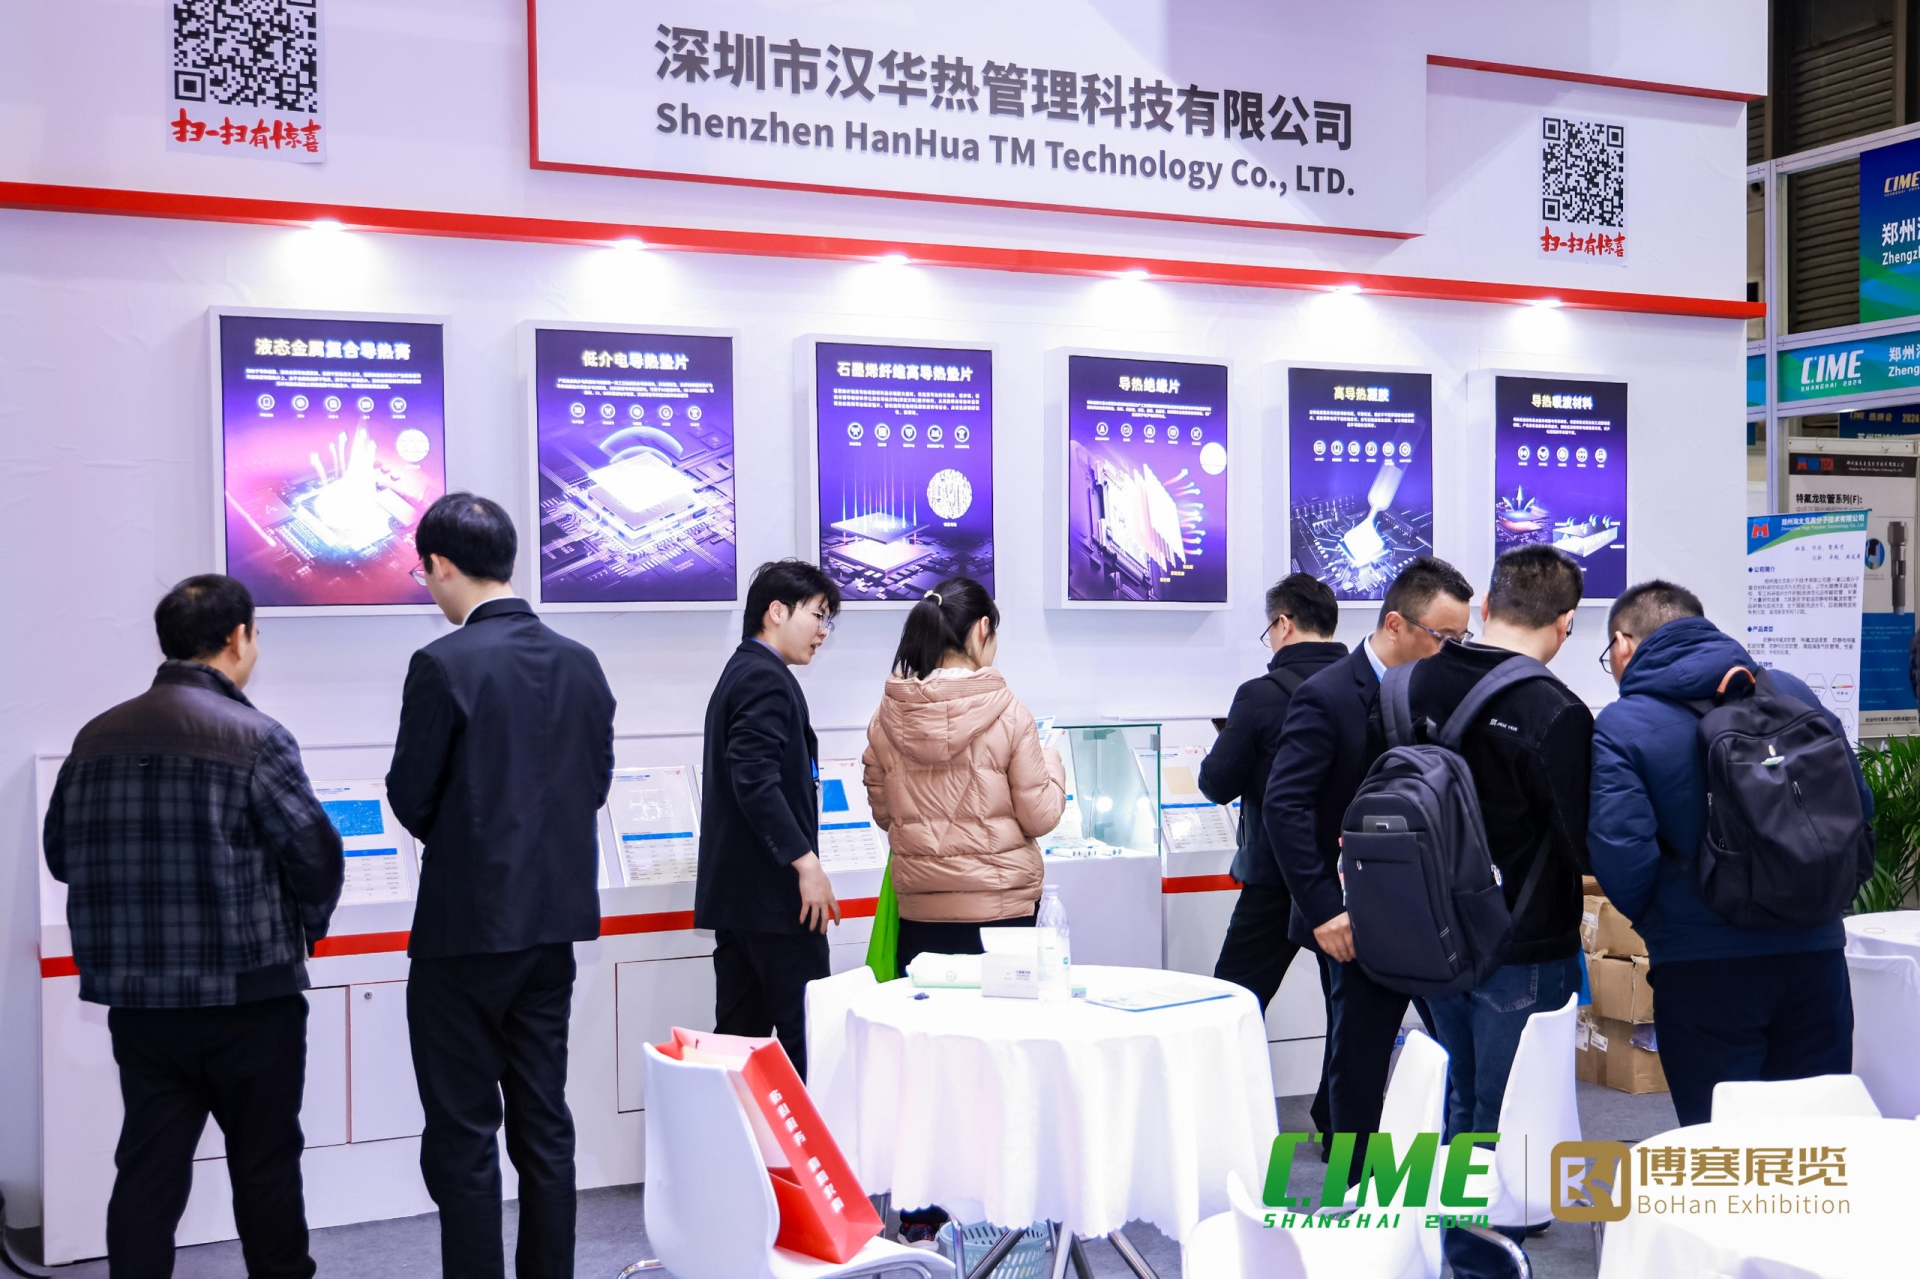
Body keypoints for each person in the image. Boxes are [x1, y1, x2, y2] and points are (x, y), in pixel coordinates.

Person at [43, 574, 344, 1279]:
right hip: (250, 998)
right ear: (238, 638)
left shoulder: (94, 737)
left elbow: (61, 854)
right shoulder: (258, 736)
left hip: (141, 1004)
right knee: (266, 1165)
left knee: (148, 1168)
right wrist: (306, 929)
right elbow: (315, 856)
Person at [386, 493, 616, 1279]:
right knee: (544, 1122)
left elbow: (411, 794)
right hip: (552, 929)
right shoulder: (582, 662)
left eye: (425, 573)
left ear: (441, 564)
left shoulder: (442, 663)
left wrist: (469, 836)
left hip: (464, 928)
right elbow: (594, 784)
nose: (428, 586)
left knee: (463, 1132)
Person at [1588, 580, 1874, 1126]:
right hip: (1814, 954)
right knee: (1816, 1136)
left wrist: (1665, 926)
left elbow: (1621, 852)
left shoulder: (1624, 724)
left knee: (1720, 1138)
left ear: (1623, 644)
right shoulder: (1791, 690)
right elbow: (1857, 806)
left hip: (1702, 966)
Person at [1403, 546, 1593, 1279]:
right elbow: (1581, 842)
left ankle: (1460, 1229)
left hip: (1429, 932)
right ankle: (1474, 1248)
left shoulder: (1412, 681)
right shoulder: (1556, 711)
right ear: (1566, 623)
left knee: (1463, 1089)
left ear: (1486, 605)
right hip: (1523, 939)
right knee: (1506, 1101)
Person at [1264, 556, 1472, 1162]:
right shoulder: (1326, 695)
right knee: (1358, 1058)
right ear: (1396, 624)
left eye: (1462, 637)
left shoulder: (1441, 692)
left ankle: (1460, 1183)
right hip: (1353, 916)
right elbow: (1285, 807)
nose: (1454, 650)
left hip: (1434, 913)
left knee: (1462, 1051)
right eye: (1444, 636)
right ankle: (1355, 1190)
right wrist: (1324, 910)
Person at [1200, 573, 1347, 1137]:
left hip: (1274, 876)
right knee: (1347, 1008)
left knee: (1233, 998)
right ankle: (1339, 1127)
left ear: (1283, 624)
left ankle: (1221, 1122)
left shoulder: (1259, 696)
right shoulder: (1366, 687)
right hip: (1345, 877)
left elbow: (1216, 783)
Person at [862, 577, 1066, 976]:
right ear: (982, 628)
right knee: (1002, 1016)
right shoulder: (1011, 716)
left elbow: (885, 816)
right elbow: (1039, 817)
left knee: (929, 1016)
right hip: (1003, 913)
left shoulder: (886, 720)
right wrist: (1052, 763)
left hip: (920, 914)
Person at [696, 559, 844, 1080]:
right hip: (776, 901)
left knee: (741, 1047)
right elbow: (754, 780)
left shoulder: (743, 669)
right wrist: (806, 864)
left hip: (742, 901)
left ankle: (741, 1136)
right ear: (776, 612)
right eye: (818, 616)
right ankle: (809, 1138)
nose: (823, 632)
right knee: (809, 1045)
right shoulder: (764, 678)